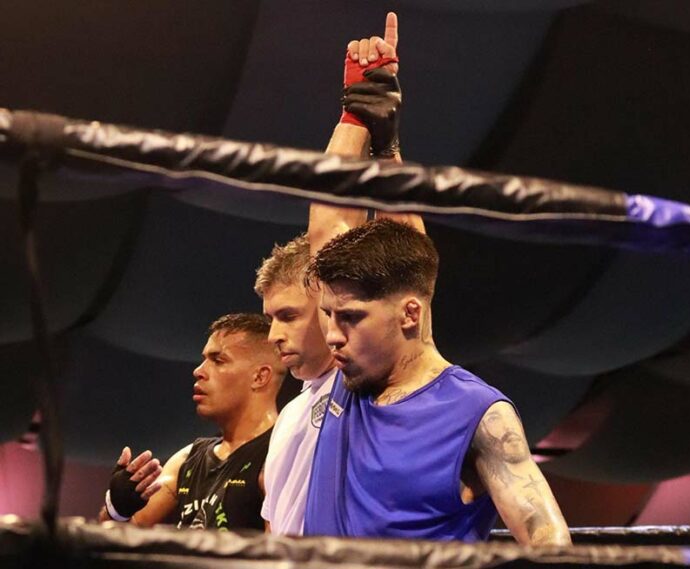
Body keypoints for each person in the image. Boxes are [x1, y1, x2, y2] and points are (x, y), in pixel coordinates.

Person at [303, 219, 571, 545]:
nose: (332, 335)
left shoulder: (477, 413)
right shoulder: (349, 373)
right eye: (328, 314)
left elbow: (549, 540)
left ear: (410, 314)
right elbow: (331, 224)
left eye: (350, 317)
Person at [257, 13, 422, 535]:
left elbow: (405, 258)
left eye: (288, 315)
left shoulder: (365, 376)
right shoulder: (291, 416)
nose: (273, 335)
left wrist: (366, 126)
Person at [98, 313, 285, 531]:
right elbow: (118, 538)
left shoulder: (281, 457)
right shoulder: (187, 460)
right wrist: (117, 509)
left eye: (218, 360)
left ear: (259, 377)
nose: (199, 371)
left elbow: (283, 550)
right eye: (204, 360)